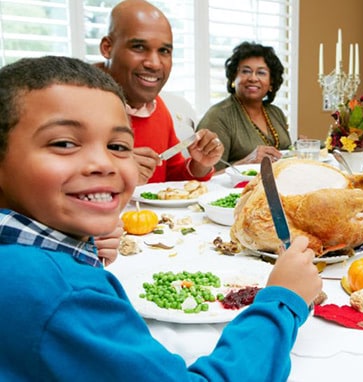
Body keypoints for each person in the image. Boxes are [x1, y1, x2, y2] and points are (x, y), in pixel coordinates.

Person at [0, 56, 323, 381]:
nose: (104, 163)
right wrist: (284, 300)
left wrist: (81, 247)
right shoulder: (60, 294)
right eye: (64, 143)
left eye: (118, 146)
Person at [97, 0, 223, 184]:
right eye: (139, 47)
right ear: (107, 48)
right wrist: (116, 173)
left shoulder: (157, 107)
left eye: (164, 51)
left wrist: (199, 165)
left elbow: (170, 176)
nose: (154, 63)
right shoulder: (77, 105)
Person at [197, 41, 292, 170]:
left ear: (271, 83)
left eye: (261, 73)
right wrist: (246, 163)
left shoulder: (276, 113)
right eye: (246, 71)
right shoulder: (218, 116)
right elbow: (207, 176)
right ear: (233, 78)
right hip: (236, 189)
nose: (253, 78)